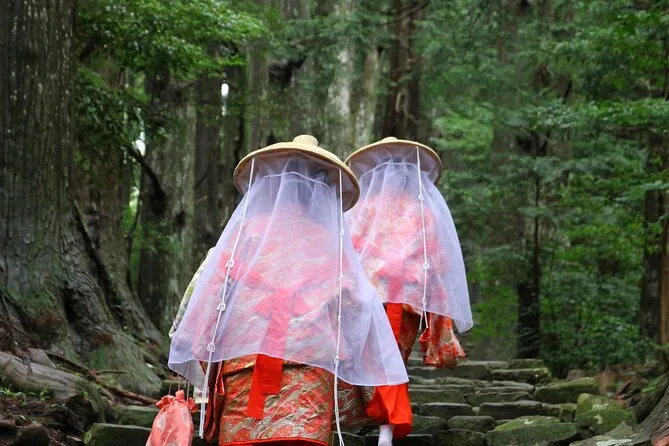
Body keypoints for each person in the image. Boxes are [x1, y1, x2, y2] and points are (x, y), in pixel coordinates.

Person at [168, 135, 408, 446]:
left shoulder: (241, 238)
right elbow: (356, 308)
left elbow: (206, 297)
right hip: (308, 377)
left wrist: (204, 352)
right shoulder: (332, 246)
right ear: (323, 187)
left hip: (244, 370)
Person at [344, 137, 474, 439]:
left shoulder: (361, 209)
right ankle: (385, 427)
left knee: (368, 357)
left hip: (366, 297)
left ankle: (375, 419)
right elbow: (437, 259)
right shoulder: (422, 211)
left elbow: (347, 252)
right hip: (404, 297)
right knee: (393, 358)